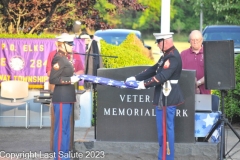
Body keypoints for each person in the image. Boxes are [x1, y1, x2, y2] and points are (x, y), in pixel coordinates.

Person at [126, 32, 184, 160]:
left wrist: (143, 85)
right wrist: (136, 77)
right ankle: (162, 156)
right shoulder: (166, 56)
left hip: (168, 97)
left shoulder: (173, 57)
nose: (157, 45)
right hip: (163, 97)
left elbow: (162, 76)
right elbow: (154, 69)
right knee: (162, 132)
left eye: (159, 42)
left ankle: (166, 157)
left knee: (166, 132)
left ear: (165, 42)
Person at [49, 33, 80, 160]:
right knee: (61, 130)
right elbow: (53, 79)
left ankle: (65, 155)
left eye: (72, 43)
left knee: (66, 129)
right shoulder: (59, 58)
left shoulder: (65, 58)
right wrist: (70, 80)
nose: (72, 46)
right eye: (70, 44)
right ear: (63, 45)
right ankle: (60, 157)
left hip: (67, 98)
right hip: (61, 98)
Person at [180, 30, 210, 94]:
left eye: (197, 40)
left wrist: (198, 83)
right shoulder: (183, 54)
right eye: (192, 40)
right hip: (187, 93)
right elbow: (180, 73)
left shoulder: (208, 53)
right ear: (189, 41)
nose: (195, 42)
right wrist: (191, 85)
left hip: (204, 93)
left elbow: (211, 73)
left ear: (202, 40)